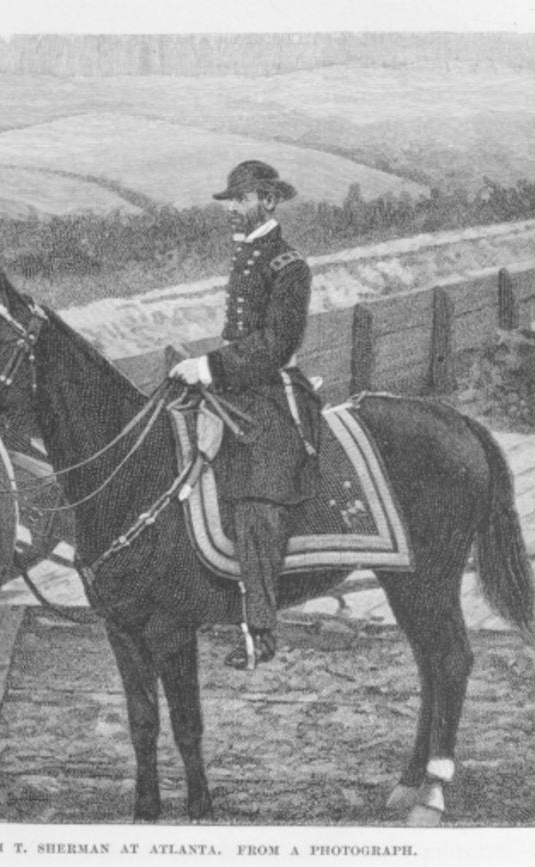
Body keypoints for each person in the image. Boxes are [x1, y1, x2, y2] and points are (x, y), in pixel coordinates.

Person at [169, 160, 315, 669]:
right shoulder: (248, 252)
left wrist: (212, 365)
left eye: (242, 199)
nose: (233, 209)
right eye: (232, 200)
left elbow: (274, 345)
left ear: (269, 200)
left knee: (255, 502)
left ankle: (261, 632)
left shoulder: (288, 265)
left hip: (271, 392)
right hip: (237, 383)